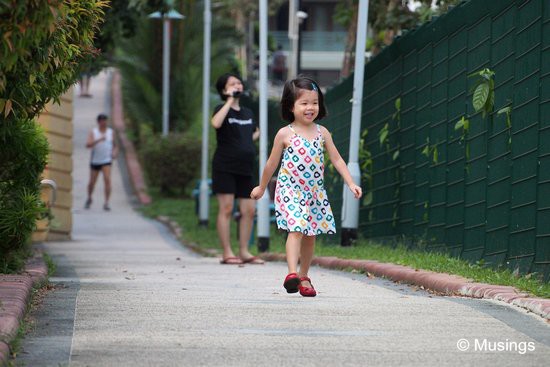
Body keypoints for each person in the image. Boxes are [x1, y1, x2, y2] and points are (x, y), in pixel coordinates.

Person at [250, 76, 362, 297]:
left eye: (314, 102)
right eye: (304, 103)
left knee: (310, 235)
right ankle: (292, 274)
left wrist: (351, 182)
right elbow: (271, 163)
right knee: (297, 228)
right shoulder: (285, 134)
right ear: (290, 106)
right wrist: (262, 187)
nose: (310, 107)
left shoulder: (322, 133)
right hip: (290, 191)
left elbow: (338, 159)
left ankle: (304, 276)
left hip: (314, 193)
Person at [211, 73, 264, 265]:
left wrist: (247, 141)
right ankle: (227, 252)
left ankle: (244, 251)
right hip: (225, 166)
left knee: (249, 210)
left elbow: (256, 132)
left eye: (239, 83)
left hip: (246, 167)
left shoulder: (248, 113)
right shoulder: (221, 109)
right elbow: (216, 123)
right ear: (224, 90)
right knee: (226, 208)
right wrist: (229, 101)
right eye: (232, 84)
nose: (237, 85)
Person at [85, 113, 118, 211]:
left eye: (105, 120)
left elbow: (116, 145)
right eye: (102, 121)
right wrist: (98, 140)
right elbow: (88, 145)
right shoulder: (94, 132)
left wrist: (114, 153)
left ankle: (107, 202)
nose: (104, 122)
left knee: (107, 180)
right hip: (95, 160)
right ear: (98, 122)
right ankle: (89, 197)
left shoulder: (110, 132)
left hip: (106, 160)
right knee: (92, 182)